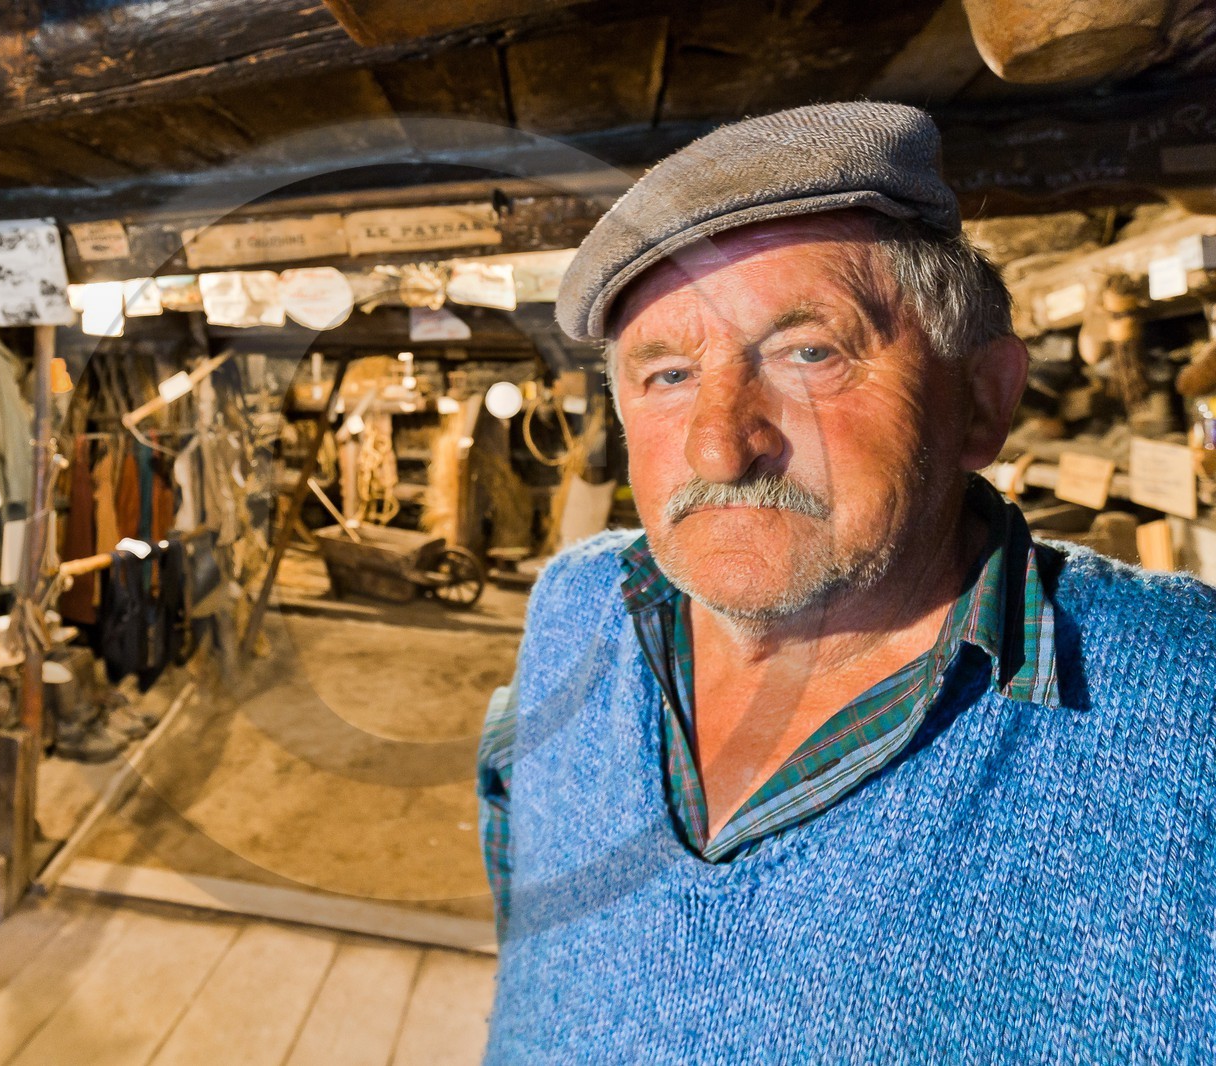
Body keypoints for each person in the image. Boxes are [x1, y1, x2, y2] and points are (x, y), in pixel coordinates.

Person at [477, 102, 1216, 1061]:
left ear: (982, 401)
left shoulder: (1187, 709)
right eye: (665, 375)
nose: (719, 444)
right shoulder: (579, 605)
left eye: (807, 352)